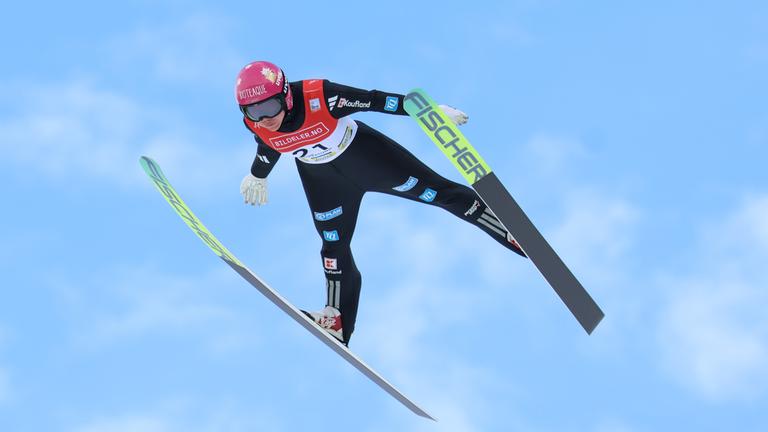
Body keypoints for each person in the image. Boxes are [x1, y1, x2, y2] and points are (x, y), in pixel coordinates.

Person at [236, 61, 526, 346]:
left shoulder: (318, 96)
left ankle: (509, 230)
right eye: (253, 111)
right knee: (333, 245)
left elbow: (375, 100)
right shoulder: (257, 123)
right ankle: (337, 319)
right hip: (323, 180)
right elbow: (268, 145)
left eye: (269, 107)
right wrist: (257, 175)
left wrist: (428, 113)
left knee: (439, 194)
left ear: (285, 94)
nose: (263, 118)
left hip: (367, 159)